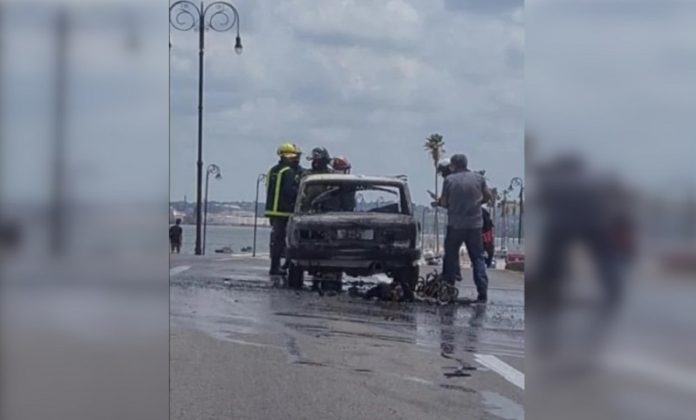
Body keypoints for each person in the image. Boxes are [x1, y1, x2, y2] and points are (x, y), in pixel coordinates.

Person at [437, 154, 492, 303]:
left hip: (455, 225)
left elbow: (444, 202)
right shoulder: (479, 178)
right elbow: (488, 196)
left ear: (453, 165)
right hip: (475, 225)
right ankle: (482, 292)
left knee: (450, 256)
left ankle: (449, 288)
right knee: (477, 257)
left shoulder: (449, 180)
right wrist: (477, 203)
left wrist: (444, 204)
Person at [265, 143, 304, 275]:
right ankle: (282, 265)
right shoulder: (288, 172)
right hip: (285, 211)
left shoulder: (273, 170)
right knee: (287, 240)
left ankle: (274, 265)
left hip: (273, 211)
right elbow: (291, 191)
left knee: (276, 240)